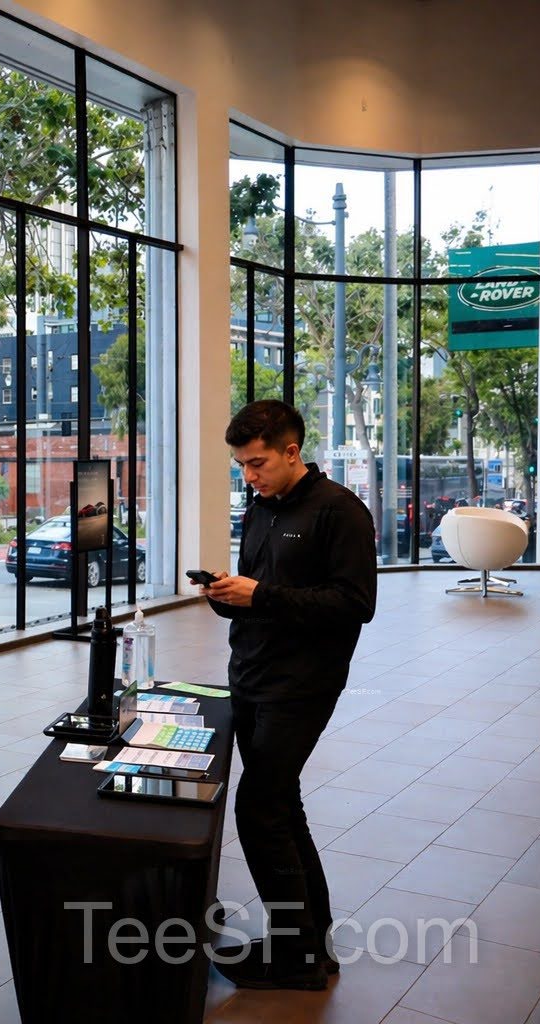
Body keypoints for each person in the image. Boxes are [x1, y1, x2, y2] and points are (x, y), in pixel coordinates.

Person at [201, 400, 376, 991]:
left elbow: (355, 603)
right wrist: (228, 595)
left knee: (259, 809)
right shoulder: (259, 509)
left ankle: (295, 959)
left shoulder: (340, 512)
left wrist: (260, 596)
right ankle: (310, 943)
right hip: (250, 675)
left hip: (302, 686)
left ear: (292, 451)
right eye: (241, 466)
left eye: (257, 464)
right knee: (281, 806)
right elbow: (261, 590)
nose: (249, 476)